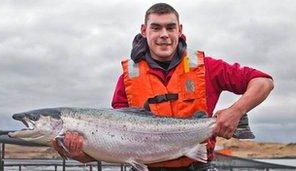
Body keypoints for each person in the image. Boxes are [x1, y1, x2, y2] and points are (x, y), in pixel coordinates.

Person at [53, 3, 274, 171]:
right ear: (144, 30)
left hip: (197, 166)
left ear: (180, 30)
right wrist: (77, 152)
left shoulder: (208, 68)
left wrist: (236, 111)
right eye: (156, 27)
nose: (164, 35)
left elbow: (264, 81)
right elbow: (108, 150)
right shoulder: (127, 80)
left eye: (170, 27)